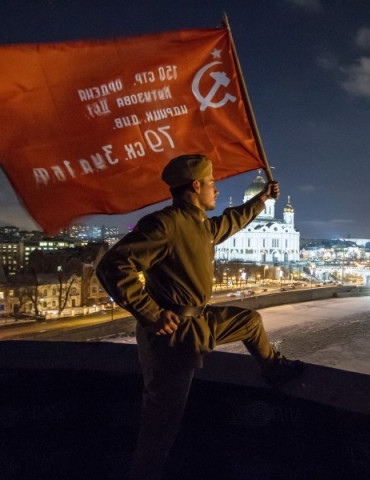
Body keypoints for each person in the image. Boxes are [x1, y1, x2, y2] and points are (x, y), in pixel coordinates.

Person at [96, 154, 305, 479]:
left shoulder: (200, 225)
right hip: (171, 335)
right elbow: (112, 265)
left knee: (250, 322)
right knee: (161, 426)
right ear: (196, 186)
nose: (217, 191)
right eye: (212, 184)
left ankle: (274, 369)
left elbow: (232, 220)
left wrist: (263, 199)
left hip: (196, 322)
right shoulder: (165, 224)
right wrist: (151, 313)